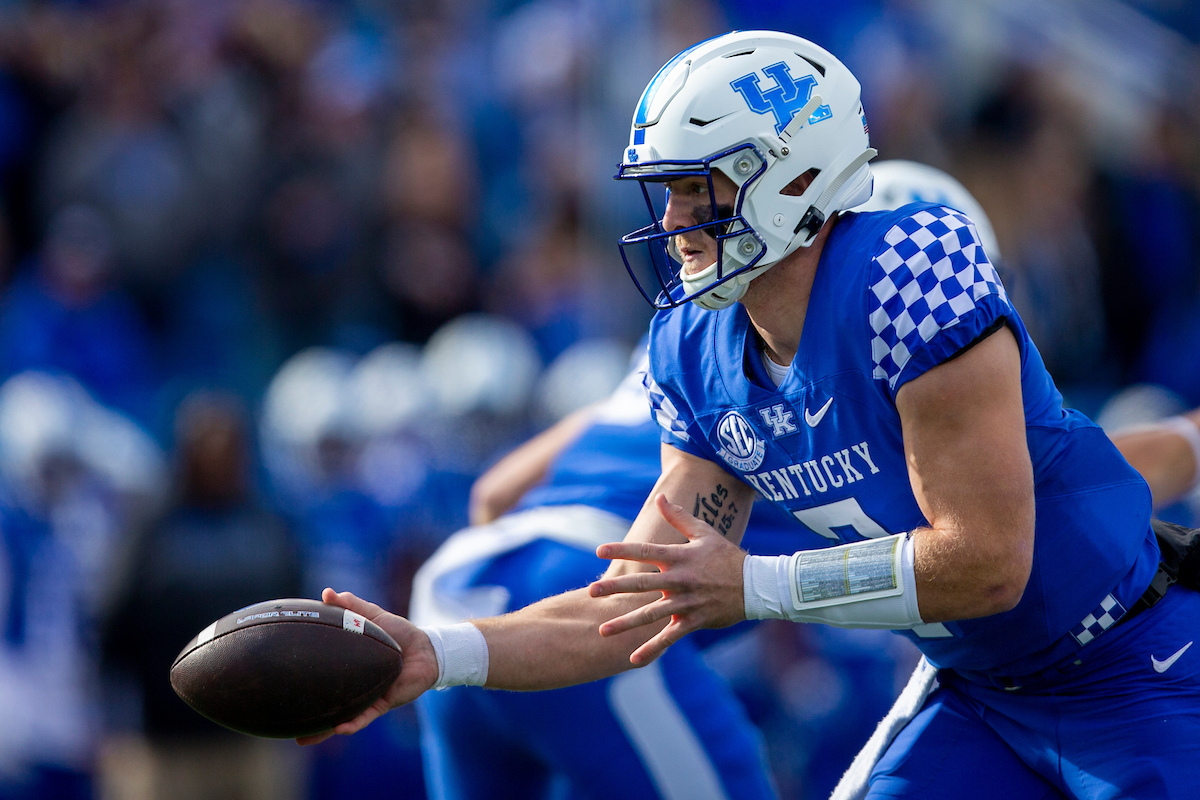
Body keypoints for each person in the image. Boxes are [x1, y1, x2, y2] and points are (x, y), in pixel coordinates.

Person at [302, 32, 1200, 800]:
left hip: (1136, 668)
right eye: (671, 193)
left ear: (797, 173)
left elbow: (989, 564)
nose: (678, 220)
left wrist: (754, 586)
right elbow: (636, 606)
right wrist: (437, 652)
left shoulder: (904, 273)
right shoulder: (692, 347)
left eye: (703, 189)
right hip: (979, 691)